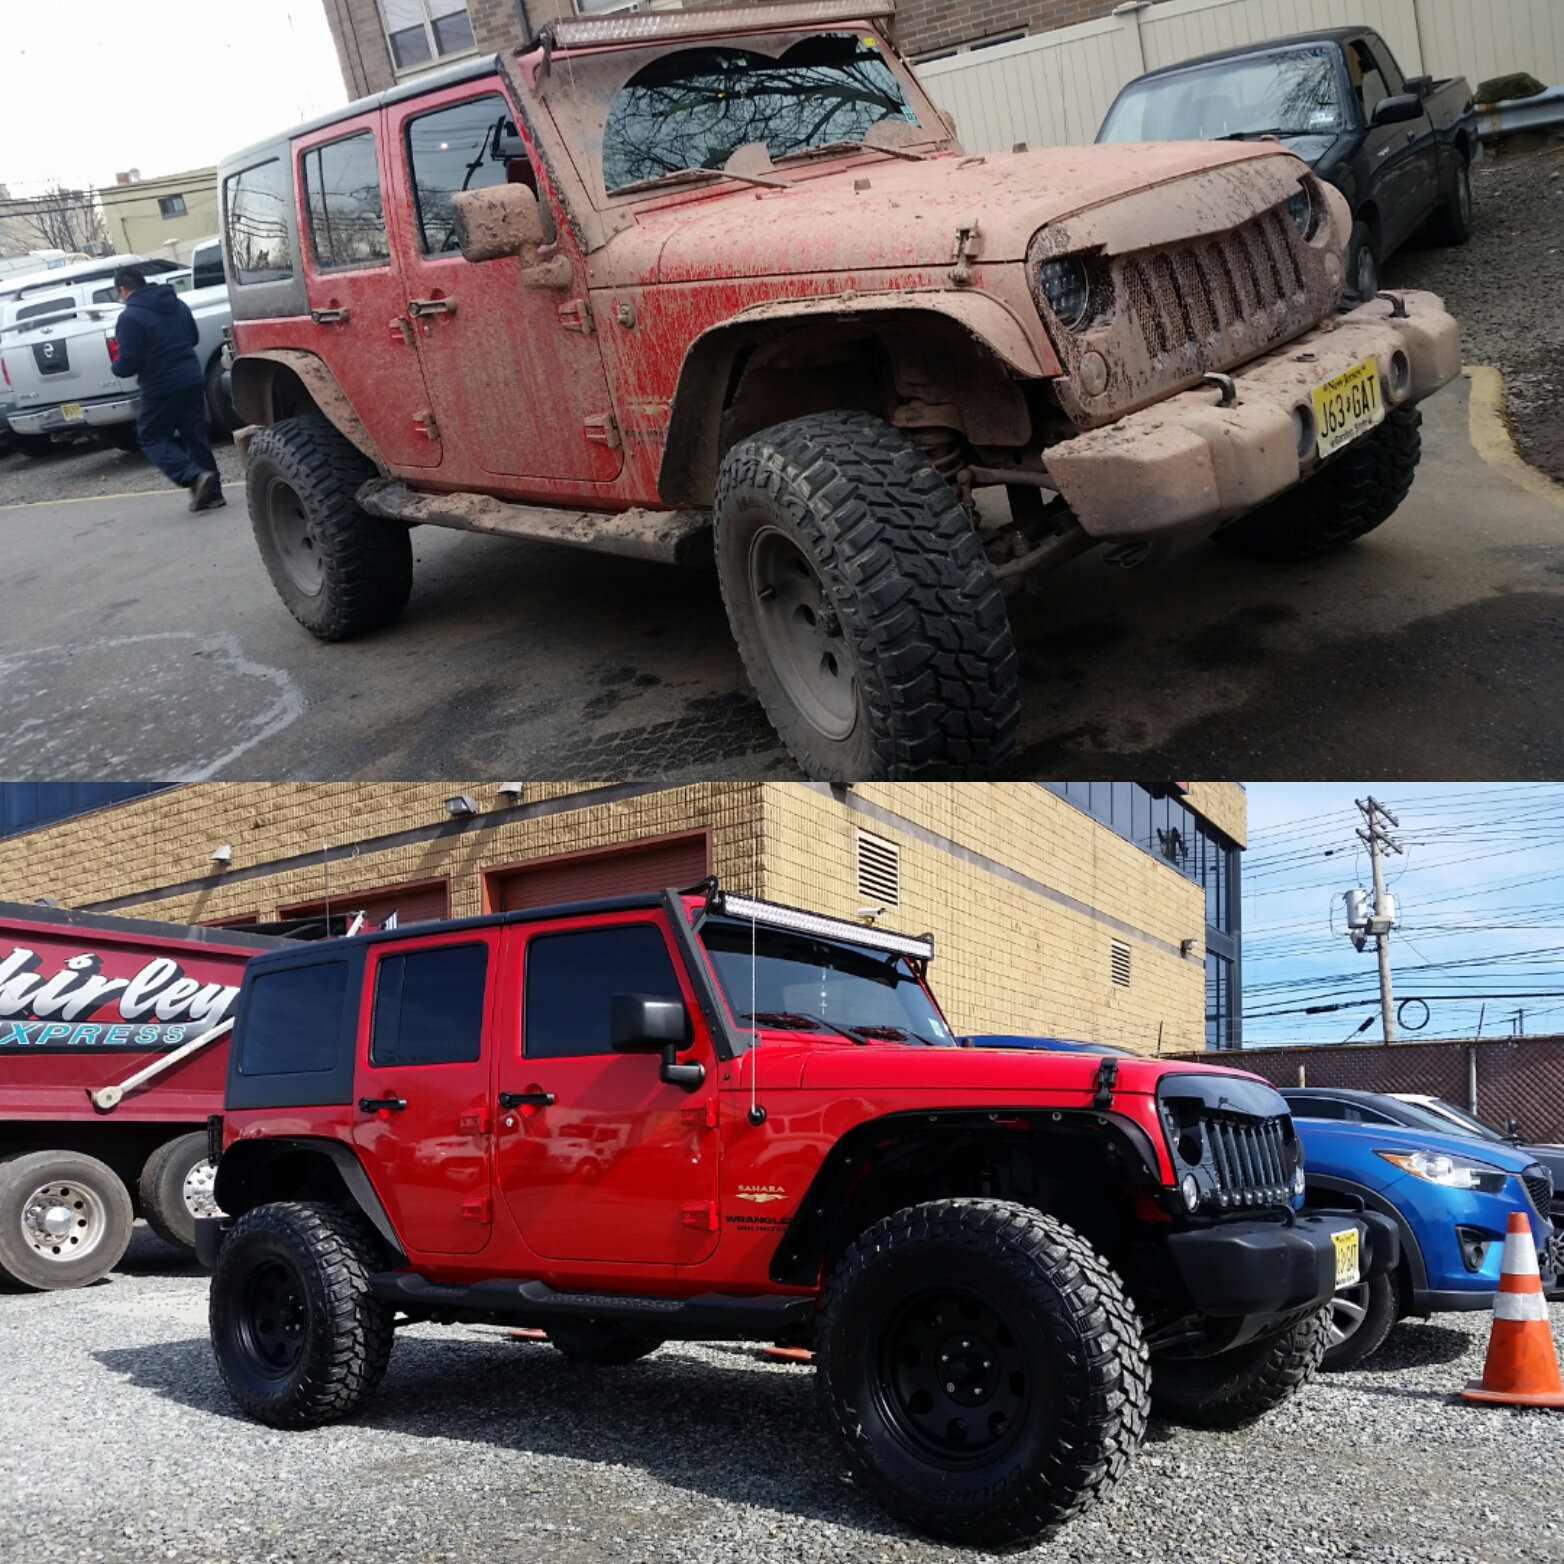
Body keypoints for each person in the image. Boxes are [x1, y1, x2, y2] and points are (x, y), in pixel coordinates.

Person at [110, 265, 223, 512]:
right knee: (195, 436)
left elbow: (129, 362)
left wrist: (116, 368)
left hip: (160, 384)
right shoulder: (177, 304)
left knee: (150, 437)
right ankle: (213, 494)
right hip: (191, 377)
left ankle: (192, 476)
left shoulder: (129, 317)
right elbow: (193, 338)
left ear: (123, 290)